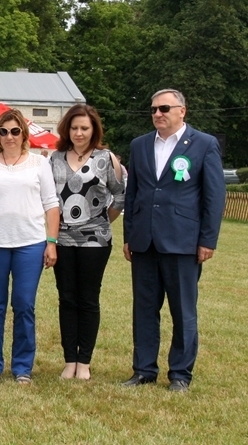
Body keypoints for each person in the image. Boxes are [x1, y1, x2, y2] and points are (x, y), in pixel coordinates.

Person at [122, 89, 226, 392]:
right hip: (144, 242)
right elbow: (134, 194)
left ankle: (180, 374)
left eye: (164, 108)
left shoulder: (204, 144)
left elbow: (214, 195)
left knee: (183, 311)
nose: (158, 114)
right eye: (153, 109)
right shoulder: (140, 145)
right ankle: (143, 370)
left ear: (183, 111)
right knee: (143, 309)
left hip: (183, 241)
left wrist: (208, 239)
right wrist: (130, 236)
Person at [0, 108, 60, 385]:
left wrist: (51, 243)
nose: (9, 136)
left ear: (23, 134)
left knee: (24, 305)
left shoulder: (39, 164)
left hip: (30, 244)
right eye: (4, 131)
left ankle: (22, 367)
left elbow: (51, 204)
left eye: (15, 131)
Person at [49, 104, 124, 381]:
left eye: (85, 128)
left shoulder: (107, 158)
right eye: (74, 127)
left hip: (96, 241)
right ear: (67, 129)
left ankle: (85, 362)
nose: (79, 133)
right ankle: (70, 360)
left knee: (88, 299)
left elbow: (120, 196)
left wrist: (102, 223)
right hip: (62, 239)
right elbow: (48, 200)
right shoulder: (54, 159)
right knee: (67, 298)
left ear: (94, 130)